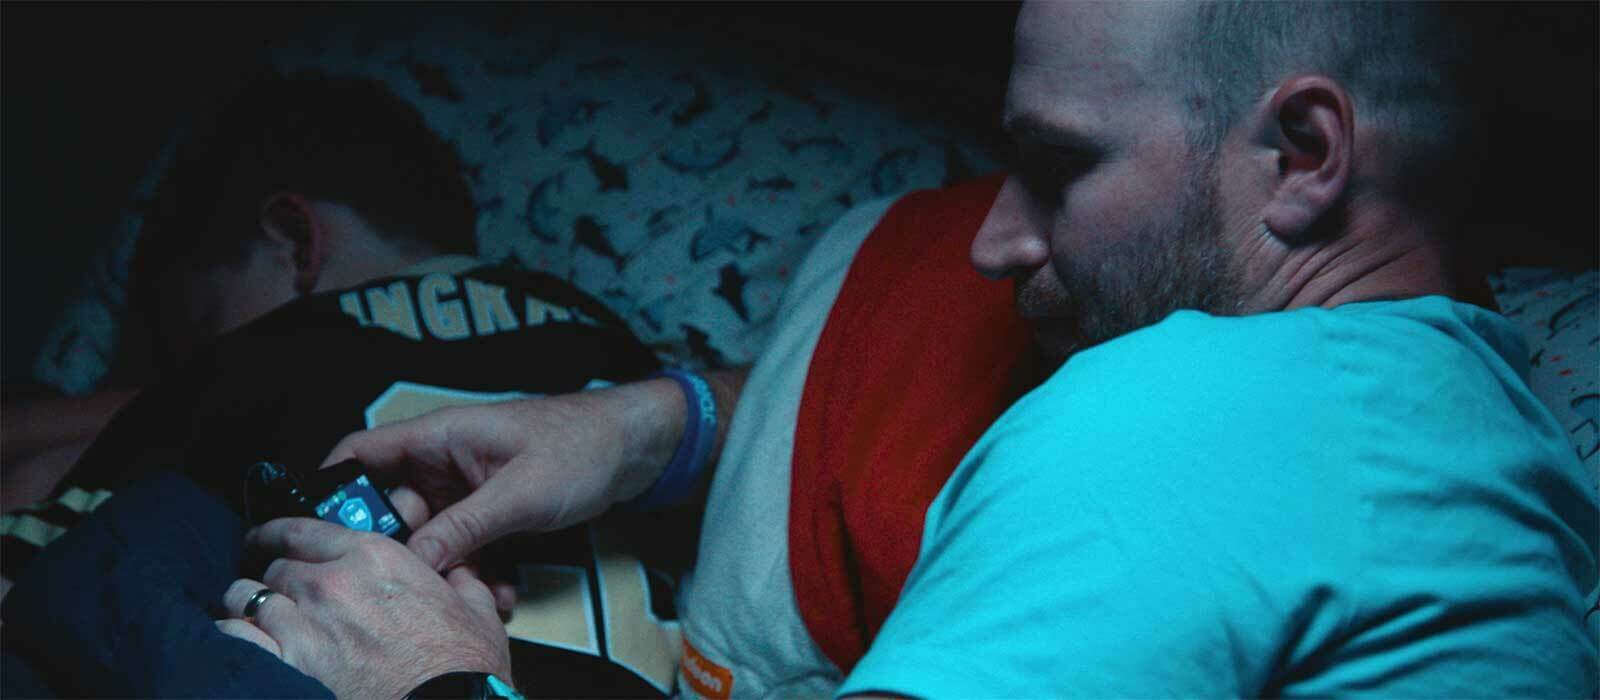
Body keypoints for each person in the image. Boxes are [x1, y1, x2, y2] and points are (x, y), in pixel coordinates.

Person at [211, 1, 1592, 696]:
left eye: (1061, 167)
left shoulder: (1189, 412)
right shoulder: (1458, 426)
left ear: (1303, 157)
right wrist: (663, 424)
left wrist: (437, 679)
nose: (993, 244)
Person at [0, 71, 685, 698]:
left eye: (204, 327)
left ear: (296, 240)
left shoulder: (269, 348)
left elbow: (60, 549)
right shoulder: (626, 356)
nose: (200, 362)